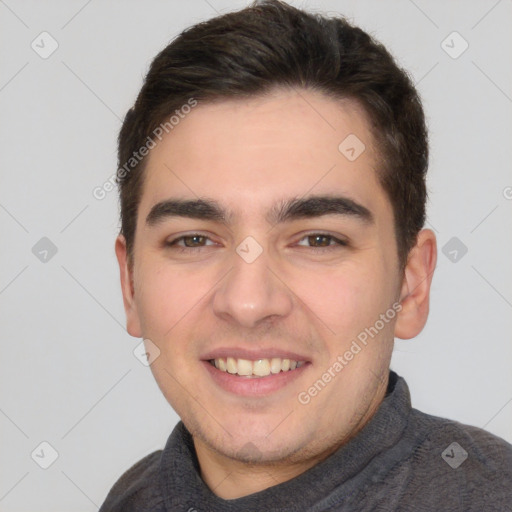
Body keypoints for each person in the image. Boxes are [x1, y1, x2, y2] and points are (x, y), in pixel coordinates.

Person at [100, 1, 512, 510]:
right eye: (194, 240)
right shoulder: (134, 497)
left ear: (411, 284)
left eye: (319, 240)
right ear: (131, 284)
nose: (248, 303)